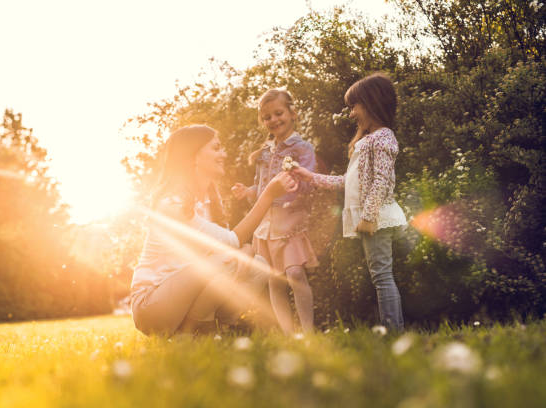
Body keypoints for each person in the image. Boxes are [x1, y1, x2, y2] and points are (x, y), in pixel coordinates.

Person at [131, 124, 297, 335]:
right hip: (152, 305)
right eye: (216, 148)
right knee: (229, 261)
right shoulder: (173, 204)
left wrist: (244, 251)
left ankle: (221, 326)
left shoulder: (209, 202)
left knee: (257, 265)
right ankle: (200, 329)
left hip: (185, 294)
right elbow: (229, 243)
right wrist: (268, 195)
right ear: (194, 156)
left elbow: (228, 248)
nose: (224, 154)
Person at [293, 73, 406, 331]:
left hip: (376, 217)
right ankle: (393, 330)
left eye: (354, 106)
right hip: (370, 216)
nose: (352, 113)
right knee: (380, 275)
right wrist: (309, 176)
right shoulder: (366, 141)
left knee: (382, 275)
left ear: (370, 103)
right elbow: (348, 181)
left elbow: (382, 180)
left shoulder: (383, 137)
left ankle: (393, 332)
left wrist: (368, 216)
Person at [232, 89, 319, 334]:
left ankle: (308, 331)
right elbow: (262, 188)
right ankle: (289, 333)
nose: (274, 120)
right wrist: (247, 192)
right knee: (273, 279)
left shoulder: (302, 149)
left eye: (278, 113)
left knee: (294, 274)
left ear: (292, 113)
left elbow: (309, 182)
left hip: (289, 221)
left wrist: (297, 191)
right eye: (267, 117)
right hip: (266, 225)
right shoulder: (264, 153)